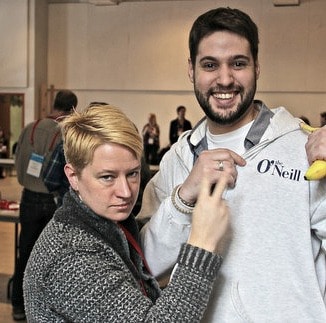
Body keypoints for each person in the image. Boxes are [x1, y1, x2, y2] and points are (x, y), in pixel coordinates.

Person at [137, 7, 326, 322]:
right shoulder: (178, 160)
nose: (224, 79)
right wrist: (183, 198)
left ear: (257, 67)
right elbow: (148, 268)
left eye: (238, 63)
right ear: (191, 69)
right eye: (210, 65)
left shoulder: (302, 149)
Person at [23, 104, 229, 322]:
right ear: (73, 176)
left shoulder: (104, 222)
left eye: (132, 174)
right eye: (107, 177)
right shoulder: (71, 257)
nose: (125, 192)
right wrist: (201, 245)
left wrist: (185, 196)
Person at [12, 89, 77, 321]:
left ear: (54, 104)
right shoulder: (66, 133)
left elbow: (17, 157)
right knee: (51, 260)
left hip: (28, 198)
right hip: (54, 202)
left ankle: (18, 305)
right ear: (72, 110)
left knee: (25, 253)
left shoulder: (30, 127)